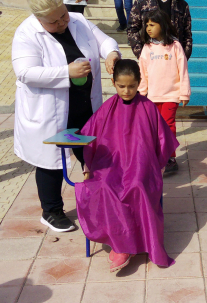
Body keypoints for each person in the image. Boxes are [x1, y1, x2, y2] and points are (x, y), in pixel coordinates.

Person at [12, 0, 120, 232]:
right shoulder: (27, 33)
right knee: (51, 163)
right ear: (39, 19)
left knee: (94, 156)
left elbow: (104, 41)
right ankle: (51, 211)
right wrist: (66, 73)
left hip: (84, 108)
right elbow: (25, 72)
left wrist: (111, 54)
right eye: (54, 21)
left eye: (63, 15)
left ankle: (97, 199)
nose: (62, 22)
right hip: (51, 112)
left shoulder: (78, 20)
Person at [75, 59, 179, 272]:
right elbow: (89, 135)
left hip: (141, 164)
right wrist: (87, 166)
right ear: (113, 83)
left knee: (136, 186)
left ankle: (128, 243)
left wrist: (158, 165)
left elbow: (163, 139)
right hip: (110, 164)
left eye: (132, 86)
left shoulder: (148, 107)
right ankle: (121, 244)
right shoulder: (107, 108)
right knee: (104, 186)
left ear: (139, 82)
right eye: (121, 86)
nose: (127, 91)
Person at [138, 10, 191, 173]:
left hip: (171, 95)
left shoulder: (175, 46)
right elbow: (143, 72)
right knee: (154, 127)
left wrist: (184, 93)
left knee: (168, 126)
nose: (148, 28)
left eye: (152, 25)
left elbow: (182, 69)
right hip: (152, 97)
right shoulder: (147, 48)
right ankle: (156, 155)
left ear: (163, 25)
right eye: (146, 25)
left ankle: (170, 157)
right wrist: (141, 92)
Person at [127, 0, 193, 59]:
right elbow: (132, 29)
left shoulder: (182, 5)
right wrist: (142, 55)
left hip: (174, 56)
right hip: (151, 56)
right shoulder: (142, 2)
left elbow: (187, 34)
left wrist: (183, 56)